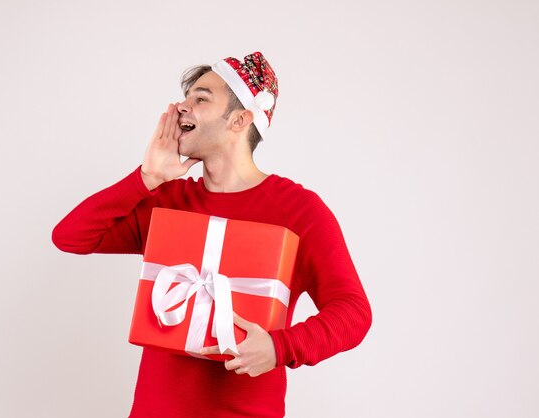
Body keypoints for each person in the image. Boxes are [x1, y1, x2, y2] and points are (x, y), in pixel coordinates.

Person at [52, 51, 372, 418]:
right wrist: (146, 177)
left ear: (239, 120)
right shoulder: (166, 200)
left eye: (200, 98)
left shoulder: (298, 211)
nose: (180, 107)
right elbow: (71, 236)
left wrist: (279, 347)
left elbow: (353, 312)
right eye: (186, 97)